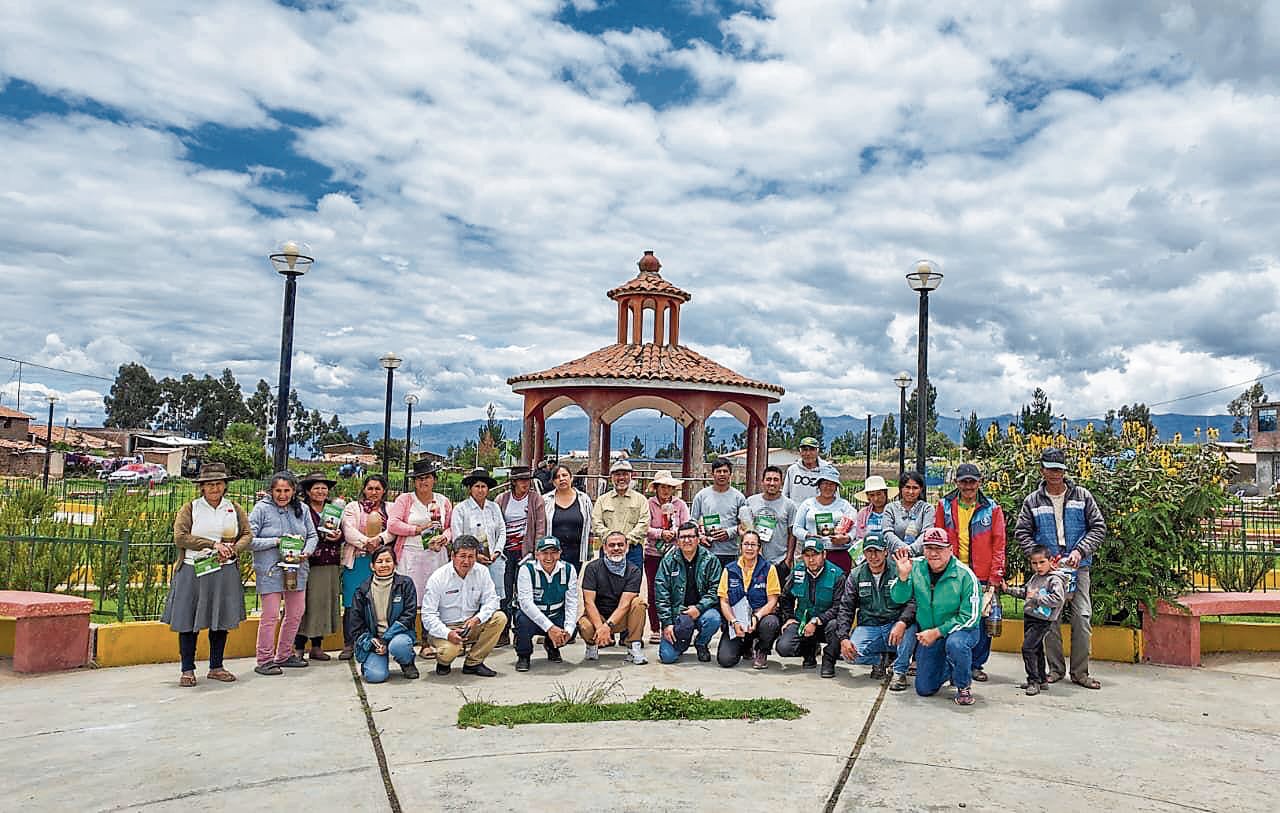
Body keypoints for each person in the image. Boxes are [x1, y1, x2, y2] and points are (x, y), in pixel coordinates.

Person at [1014, 447, 1106, 689]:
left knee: (1082, 617)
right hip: (1048, 572)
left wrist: (1080, 550)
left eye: (1059, 469)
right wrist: (1042, 557)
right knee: (1049, 619)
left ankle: (1080, 673)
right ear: (1042, 470)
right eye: (1050, 469)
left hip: (1079, 568)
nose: (1055, 473)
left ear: (1065, 471)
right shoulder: (1032, 501)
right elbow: (1022, 532)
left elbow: (1098, 527)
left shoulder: (1082, 496)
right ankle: (1055, 670)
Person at [161, 463, 251, 687]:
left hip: (224, 570)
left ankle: (216, 666)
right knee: (188, 620)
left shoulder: (234, 508)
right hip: (194, 570)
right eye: (209, 485)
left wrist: (233, 549)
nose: (214, 489)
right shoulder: (191, 508)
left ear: (225, 486)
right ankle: (187, 669)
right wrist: (212, 544)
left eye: (219, 484)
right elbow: (180, 537)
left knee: (220, 620)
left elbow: (247, 534)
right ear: (202, 487)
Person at [889, 527, 983, 705]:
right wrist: (902, 578)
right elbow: (898, 598)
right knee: (924, 689)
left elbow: (970, 617)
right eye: (929, 548)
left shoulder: (965, 575)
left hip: (961, 630)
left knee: (956, 644)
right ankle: (949, 666)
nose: (933, 553)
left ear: (950, 549)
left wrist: (938, 631)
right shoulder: (914, 566)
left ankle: (963, 686)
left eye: (939, 548)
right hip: (931, 633)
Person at [934, 462, 1006, 683]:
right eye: (963, 481)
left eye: (972, 482)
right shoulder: (944, 505)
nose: (967, 486)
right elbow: (936, 537)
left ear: (979, 482)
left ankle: (976, 664)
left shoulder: (992, 508)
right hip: (952, 571)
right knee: (949, 614)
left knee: (982, 619)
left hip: (982, 573)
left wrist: (995, 576)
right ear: (956, 482)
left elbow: (999, 543)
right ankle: (950, 661)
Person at [249, 471, 319, 675]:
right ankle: (264, 659)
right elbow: (249, 540)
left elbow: (313, 535)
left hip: (296, 570)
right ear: (271, 491)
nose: (282, 495)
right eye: (278, 490)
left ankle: (284, 654)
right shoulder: (261, 509)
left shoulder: (302, 509)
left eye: (287, 490)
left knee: (296, 613)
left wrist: (307, 551)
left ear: (294, 490)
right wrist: (276, 541)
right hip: (270, 571)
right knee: (270, 615)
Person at [387, 459, 453, 657]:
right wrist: (417, 529)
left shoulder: (443, 501)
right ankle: (406, 640)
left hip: (435, 556)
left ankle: (427, 641)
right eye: (419, 478)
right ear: (414, 481)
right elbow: (393, 524)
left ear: (434, 480)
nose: (424, 482)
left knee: (433, 599)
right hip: (411, 555)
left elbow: (451, 526)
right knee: (409, 600)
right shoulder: (405, 500)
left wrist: (445, 537)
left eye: (428, 477)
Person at [835, 530, 917, 687]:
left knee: (911, 628)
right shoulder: (855, 575)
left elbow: (912, 602)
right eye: (869, 551)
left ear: (885, 551)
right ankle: (881, 659)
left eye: (877, 551)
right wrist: (844, 638)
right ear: (864, 553)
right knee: (849, 655)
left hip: (896, 624)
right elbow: (846, 608)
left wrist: (902, 622)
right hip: (870, 625)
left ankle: (899, 672)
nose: (873, 556)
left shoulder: (899, 569)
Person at [421, 535, 507, 677]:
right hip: (445, 627)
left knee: (499, 618)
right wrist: (447, 633)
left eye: (471, 556)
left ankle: (473, 663)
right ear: (453, 555)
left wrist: (477, 619)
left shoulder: (482, 572)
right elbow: (428, 615)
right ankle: (443, 663)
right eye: (462, 556)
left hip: (470, 624)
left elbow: (492, 601)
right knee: (450, 651)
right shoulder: (438, 577)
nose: (466, 561)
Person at [450, 468, 508, 647]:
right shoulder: (461, 509)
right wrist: (475, 557)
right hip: (471, 562)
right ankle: (467, 636)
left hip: (494, 560)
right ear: (470, 488)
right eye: (477, 486)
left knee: (494, 597)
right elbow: (457, 536)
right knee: (472, 597)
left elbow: (502, 531)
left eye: (484, 486)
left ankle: (493, 635)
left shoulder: (494, 507)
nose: (481, 490)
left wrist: (498, 550)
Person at [339, 475, 394, 660]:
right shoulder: (353, 508)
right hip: (357, 560)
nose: (373, 492)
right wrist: (367, 542)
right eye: (370, 488)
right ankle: (349, 643)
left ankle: (379, 641)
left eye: (378, 489)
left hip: (381, 562)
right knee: (351, 604)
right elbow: (348, 530)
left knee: (379, 603)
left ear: (384, 491)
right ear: (364, 489)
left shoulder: (391, 509)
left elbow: (393, 529)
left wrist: (380, 540)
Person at [655, 521, 724, 664]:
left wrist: (699, 608)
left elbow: (715, 590)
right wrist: (667, 624)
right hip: (677, 613)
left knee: (714, 619)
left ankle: (701, 643)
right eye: (683, 537)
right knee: (668, 657)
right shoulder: (668, 561)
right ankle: (682, 641)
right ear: (678, 540)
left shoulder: (710, 560)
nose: (687, 540)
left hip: (702, 610)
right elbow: (661, 595)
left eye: (691, 536)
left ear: (698, 539)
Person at [1003, 545, 1067, 696]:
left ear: (1051, 561)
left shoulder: (1054, 579)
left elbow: (1058, 599)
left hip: (1042, 620)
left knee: (1028, 648)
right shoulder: (1035, 577)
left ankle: (1033, 681)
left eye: (1042, 562)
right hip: (1031, 617)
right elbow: (1026, 592)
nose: (1038, 566)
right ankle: (1042, 679)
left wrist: (1036, 597)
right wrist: (1008, 590)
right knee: (1036, 649)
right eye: (1034, 563)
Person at [776, 537, 846, 674]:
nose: (811, 559)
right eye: (807, 556)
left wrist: (817, 621)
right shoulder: (798, 571)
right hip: (802, 620)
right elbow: (785, 597)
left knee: (835, 626)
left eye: (815, 555)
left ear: (824, 555)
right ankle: (809, 653)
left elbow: (839, 607)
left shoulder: (837, 574)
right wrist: (789, 617)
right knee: (783, 647)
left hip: (826, 622)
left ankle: (829, 660)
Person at [293, 471, 343, 662]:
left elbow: (343, 532)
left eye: (324, 488)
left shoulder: (333, 510)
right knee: (305, 605)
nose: (321, 491)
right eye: (316, 488)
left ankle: (317, 646)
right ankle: (298, 646)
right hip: (309, 563)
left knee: (322, 605)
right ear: (307, 490)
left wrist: (338, 536)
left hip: (330, 562)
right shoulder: (301, 510)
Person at [350, 545, 419, 683]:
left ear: (395, 563)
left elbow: (409, 614)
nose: (384, 565)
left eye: (388, 561)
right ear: (372, 566)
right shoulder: (362, 590)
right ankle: (371, 663)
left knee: (399, 645)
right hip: (375, 640)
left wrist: (386, 639)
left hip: (399, 636)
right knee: (375, 677)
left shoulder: (405, 584)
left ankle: (407, 663)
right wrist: (371, 641)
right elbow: (356, 623)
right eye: (379, 561)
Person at [578, 531, 649, 664]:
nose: (616, 548)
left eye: (620, 545)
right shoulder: (592, 568)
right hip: (598, 617)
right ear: (604, 548)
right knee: (584, 625)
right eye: (612, 545)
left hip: (622, 619)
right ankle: (592, 645)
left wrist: (607, 627)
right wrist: (600, 627)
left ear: (627, 548)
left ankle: (634, 647)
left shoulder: (634, 571)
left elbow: (625, 604)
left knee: (638, 603)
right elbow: (588, 602)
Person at [715, 530, 782, 669]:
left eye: (753, 544)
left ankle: (762, 651)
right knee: (725, 660)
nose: (749, 548)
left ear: (759, 548)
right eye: (746, 544)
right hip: (737, 622)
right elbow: (724, 601)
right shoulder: (729, 569)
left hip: (759, 620)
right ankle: (746, 646)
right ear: (740, 547)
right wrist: (733, 621)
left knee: (771, 623)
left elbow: (773, 601)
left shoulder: (769, 569)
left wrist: (757, 617)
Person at [496, 464, 547, 644]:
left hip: (526, 553)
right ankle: (502, 632)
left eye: (527, 479)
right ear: (514, 482)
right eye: (521, 480)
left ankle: (521, 632)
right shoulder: (502, 499)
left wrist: (535, 552)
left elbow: (540, 528)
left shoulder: (536, 500)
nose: (525, 483)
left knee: (524, 593)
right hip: (505, 552)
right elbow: (496, 524)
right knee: (505, 592)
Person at [513, 537, 579, 672]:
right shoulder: (526, 569)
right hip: (533, 617)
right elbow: (526, 604)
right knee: (522, 619)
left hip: (555, 614)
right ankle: (524, 655)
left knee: (572, 628)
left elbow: (572, 602)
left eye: (553, 552)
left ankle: (552, 646)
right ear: (537, 554)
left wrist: (568, 630)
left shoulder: (568, 569)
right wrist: (550, 628)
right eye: (544, 553)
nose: (549, 557)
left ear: (560, 553)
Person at [644, 470, 689, 643]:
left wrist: (675, 533)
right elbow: (644, 527)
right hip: (653, 553)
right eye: (662, 487)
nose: (665, 491)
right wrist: (660, 533)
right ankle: (655, 628)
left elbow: (687, 525)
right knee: (654, 590)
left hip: (675, 553)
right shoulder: (649, 504)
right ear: (656, 488)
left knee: (676, 590)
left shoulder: (681, 505)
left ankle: (673, 626)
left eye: (669, 487)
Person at [739, 464, 798, 584]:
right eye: (768, 479)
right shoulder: (751, 501)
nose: (772, 483)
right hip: (755, 560)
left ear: (781, 483)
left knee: (780, 598)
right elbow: (743, 526)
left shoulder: (789, 505)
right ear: (762, 482)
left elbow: (792, 534)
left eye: (776, 480)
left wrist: (788, 560)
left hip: (779, 561)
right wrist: (742, 533)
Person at [792, 466, 856, 572]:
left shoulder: (844, 505)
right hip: (812, 554)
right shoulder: (807, 504)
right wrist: (809, 536)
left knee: (839, 585)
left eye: (832, 484)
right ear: (819, 485)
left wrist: (846, 538)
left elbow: (854, 528)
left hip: (838, 554)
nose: (828, 487)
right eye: (825, 483)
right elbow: (796, 529)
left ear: (836, 487)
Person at [591, 459, 649, 568]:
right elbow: (596, 523)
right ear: (611, 477)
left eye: (625, 474)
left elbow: (644, 523)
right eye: (617, 474)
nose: (621, 478)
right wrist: (612, 540)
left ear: (631, 476)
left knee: (633, 583)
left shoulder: (641, 500)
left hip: (633, 549)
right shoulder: (602, 500)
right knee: (605, 583)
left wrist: (626, 540)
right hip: (608, 548)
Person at [692, 457, 747, 568]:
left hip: (730, 553)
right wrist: (701, 536)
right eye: (718, 471)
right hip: (706, 551)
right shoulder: (701, 496)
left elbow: (745, 525)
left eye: (725, 471)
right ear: (712, 474)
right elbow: (692, 521)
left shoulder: (739, 497)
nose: (722, 474)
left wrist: (729, 532)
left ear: (730, 474)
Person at [543, 463, 593, 570]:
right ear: (553, 482)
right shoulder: (545, 500)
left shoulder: (584, 499)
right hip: (552, 553)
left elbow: (591, 525)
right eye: (557, 477)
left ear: (571, 478)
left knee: (572, 584)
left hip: (577, 552)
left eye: (564, 475)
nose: (561, 479)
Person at [882, 470, 932, 555]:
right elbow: (887, 533)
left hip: (919, 560)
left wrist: (911, 550)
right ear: (901, 488)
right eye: (907, 487)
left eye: (915, 488)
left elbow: (927, 533)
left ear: (921, 489)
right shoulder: (890, 508)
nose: (911, 492)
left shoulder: (927, 509)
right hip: (895, 559)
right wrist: (903, 549)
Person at [852, 475, 897, 546]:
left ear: (885, 494)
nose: (876, 498)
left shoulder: (895, 511)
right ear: (868, 497)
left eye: (879, 494)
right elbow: (859, 537)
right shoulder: (863, 513)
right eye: (872, 495)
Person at [783, 436, 827, 504]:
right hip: (796, 513)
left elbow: (834, 495)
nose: (808, 453)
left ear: (817, 451)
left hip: (819, 513)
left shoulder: (827, 470)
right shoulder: (792, 470)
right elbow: (785, 496)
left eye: (812, 449)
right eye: (805, 450)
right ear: (800, 452)